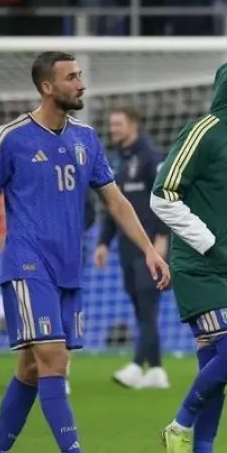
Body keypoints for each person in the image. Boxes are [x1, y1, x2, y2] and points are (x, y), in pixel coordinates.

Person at [0, 51, 170, 453]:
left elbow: (115, 200)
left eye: (80, 75)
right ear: (48, 87)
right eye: (71, 77)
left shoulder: (86, 138)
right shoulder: (12, 137)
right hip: (28, 265)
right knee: (53, 359)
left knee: (29, 368)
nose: (81, 84)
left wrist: (147, 250)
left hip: (69, 269)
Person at [152, 59, 227, 453]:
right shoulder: (201, 132)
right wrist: (209, 244)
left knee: (214, 361)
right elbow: (162, 195)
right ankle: (178, 429)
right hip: (202, 267)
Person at [94, 106, 171, 390]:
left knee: (148, 307)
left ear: (134, 125)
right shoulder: (118, 161)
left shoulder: (152, 157)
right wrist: (103, 242)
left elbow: (169, 197)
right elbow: (114, 206)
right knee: (141, 309)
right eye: (111, 124)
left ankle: (138, 365)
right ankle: (158, 370)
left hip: (151, 245)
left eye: (118, 124)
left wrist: (164, 237)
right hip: (127, 248)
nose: (112, 129)